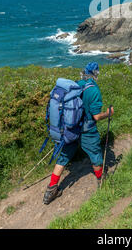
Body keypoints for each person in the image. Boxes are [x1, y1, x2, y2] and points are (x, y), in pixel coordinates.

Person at [43, 62, 114, 205]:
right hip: (87, 130)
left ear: (83, 72)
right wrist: (108, 113)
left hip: (70, 129)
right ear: (96, 74)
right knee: (95, 154)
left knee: (63, 157)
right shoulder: (94, 90)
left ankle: (51, 190)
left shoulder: (75, 85)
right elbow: (96, 116)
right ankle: (102, 182)